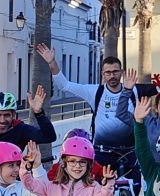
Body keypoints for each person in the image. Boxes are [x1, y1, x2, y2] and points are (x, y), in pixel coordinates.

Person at [37, 44, 139, 173]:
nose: (112, 75)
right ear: (103, 74)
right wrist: (52, 63)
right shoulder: (94, 91)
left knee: (133, 189)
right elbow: (64, 85)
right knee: (100, 191)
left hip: (129, 152)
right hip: (102, 153)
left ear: (122, 72)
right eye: (108, 72)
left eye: (115, 72)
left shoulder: (134, 90)